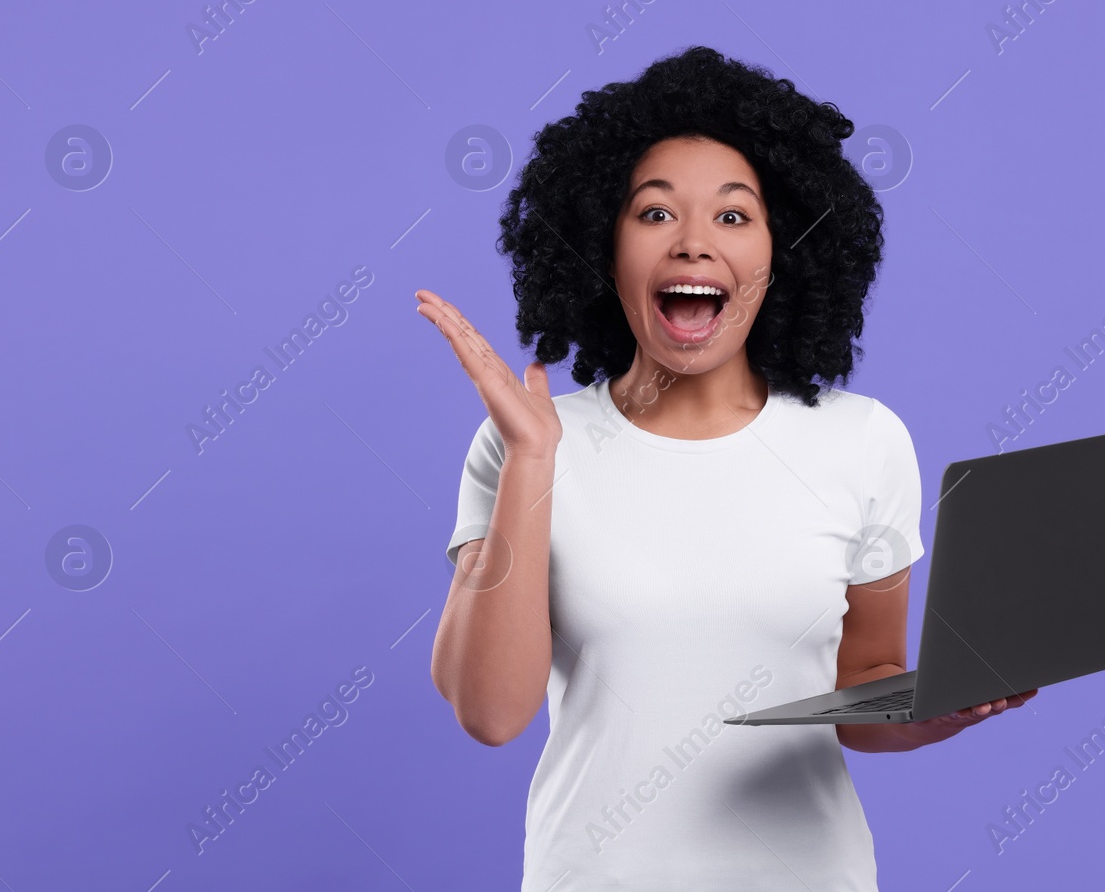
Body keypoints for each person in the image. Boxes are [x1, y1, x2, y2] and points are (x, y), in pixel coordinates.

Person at [417, 46, 1034, 890]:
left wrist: (939, 709)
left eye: (735, 217)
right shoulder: (527, 440)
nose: (696, 245)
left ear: (781, 258)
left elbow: (865, 687)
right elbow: (489, 712)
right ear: (606, 249)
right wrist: (531, 460)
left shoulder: (863, 442)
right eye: (656, 214)